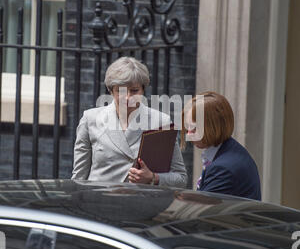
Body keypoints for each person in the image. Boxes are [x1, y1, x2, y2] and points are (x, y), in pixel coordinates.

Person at [72, 56, 187, 188]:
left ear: (143, 90)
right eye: (120, 91)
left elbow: (181, 178)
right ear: (110, 90)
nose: (127, 97)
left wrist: (152, 177)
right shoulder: (90, 119)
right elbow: (79, 178)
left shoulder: (162, 122)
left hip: (141, 204)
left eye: (134, 90)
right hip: (99, 203)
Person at [181, 91, 261, 200]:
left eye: (194, 128)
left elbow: (203, 212)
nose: (189, 135)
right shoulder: (231, 150)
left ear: (214, 126)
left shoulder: (222, 169)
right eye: (187, 127)